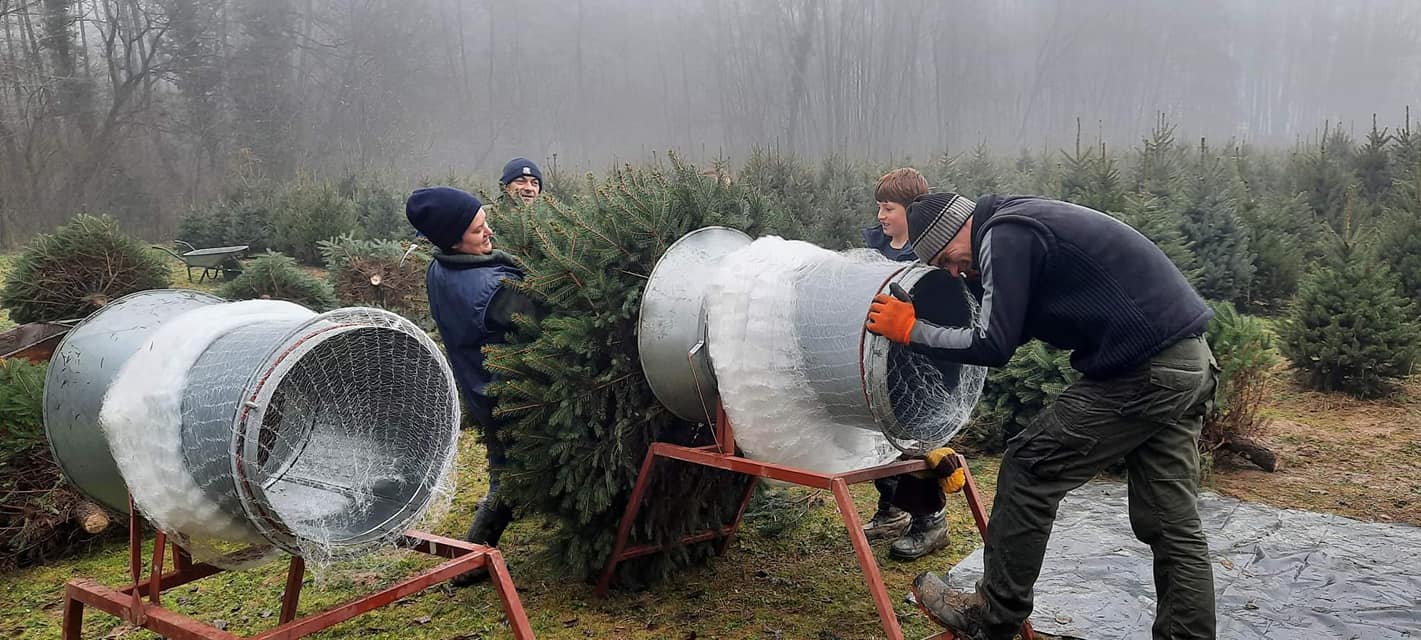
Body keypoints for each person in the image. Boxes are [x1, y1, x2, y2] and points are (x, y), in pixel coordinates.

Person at [865, 192, 1218, 640]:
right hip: (1188, 361)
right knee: (1172, 524)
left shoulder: (1004, 233)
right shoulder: (1019, 224)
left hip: (1143, 370)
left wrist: (910, 330)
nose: (953, 271)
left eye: (948, 258)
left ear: (960, 227)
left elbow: (995, 344)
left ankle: (991, 616)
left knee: (1028, 466)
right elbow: (1016, 319)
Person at [406, 186, 541, 584]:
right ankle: (471, 562)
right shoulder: (493, 291)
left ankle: (471, 559)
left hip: (482, 386)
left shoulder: (442, 268)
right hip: (512, 393)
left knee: (505, 469)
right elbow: (548, 317)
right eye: (479, 230)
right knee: (509, 477)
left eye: (486, 224)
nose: (490, 233)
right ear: (453, 239)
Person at [859, 168, 952, 562]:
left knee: (913, 448)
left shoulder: (925, 257)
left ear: (912, 211)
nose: (881, 215)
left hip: (912, 365)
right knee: (880, 440)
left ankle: (931, 521)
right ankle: (891, 510)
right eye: (879, 206)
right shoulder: (875, 247)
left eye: (889, 207)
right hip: (874, 360)